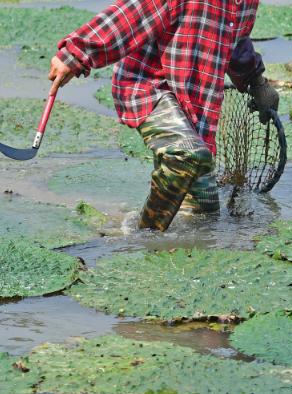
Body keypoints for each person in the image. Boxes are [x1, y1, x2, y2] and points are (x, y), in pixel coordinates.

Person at [48, 0, 279, 231]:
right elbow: (131, 15)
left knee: (204, 216)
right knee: (186, 155)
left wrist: (257, 83)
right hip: (149, 88)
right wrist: (76, 54)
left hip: (197, 109)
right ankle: (143, 235)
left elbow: (236, 44)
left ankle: (162, 250)